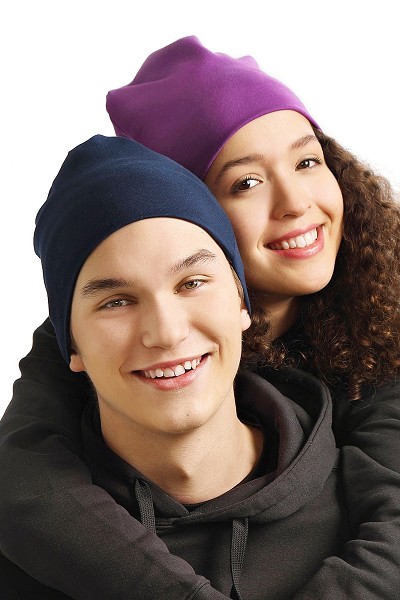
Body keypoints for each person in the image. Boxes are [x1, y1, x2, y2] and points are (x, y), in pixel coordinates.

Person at [1, 36, 400, 598]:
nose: (296, 201)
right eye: (246, 183)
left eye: (309, 161)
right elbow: (24, 482)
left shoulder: (380, 324)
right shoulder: (89, 335)